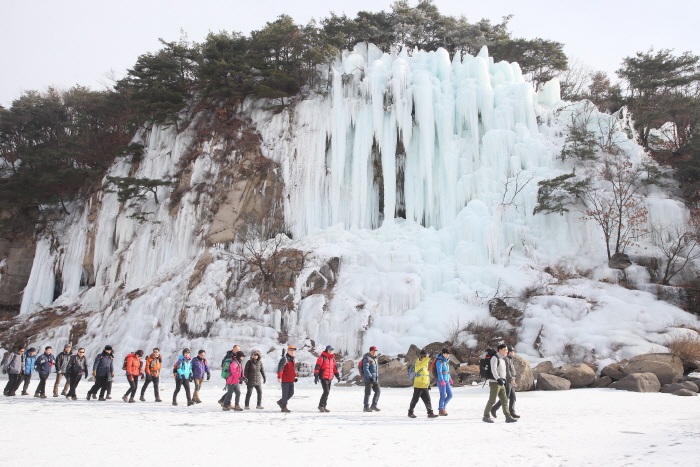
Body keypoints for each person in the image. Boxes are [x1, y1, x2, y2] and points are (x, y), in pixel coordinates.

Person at [483, 344, 518, 423]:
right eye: (505, 350)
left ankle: (508, 417)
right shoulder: (495, 358)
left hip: (502, 382)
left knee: (504, 400)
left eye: (507, 350)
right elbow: (493, 369)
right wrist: (497, 378)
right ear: (500, 350)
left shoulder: (503, 359)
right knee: (492, 400)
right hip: (495, 382)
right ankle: (485, 416)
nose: (506, 351)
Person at [408, 349, 438, 418]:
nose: (428, 357)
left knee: (427, 400)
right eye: (426, 356)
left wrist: (428, 384)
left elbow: (425, 376)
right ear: (423, 356)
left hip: (425, 385)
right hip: (419, 385)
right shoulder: (419, 362)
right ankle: (410, 412)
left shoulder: (425, 364)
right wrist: (429, 357)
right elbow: (423, 362)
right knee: (415, 400)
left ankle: (430, 413)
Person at [491, 345, 519, 419]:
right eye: (512, 351)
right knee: (506, 397)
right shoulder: (506, 359)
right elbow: (507, 371)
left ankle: (512, 412)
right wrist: (511, 380)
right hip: (508, 381)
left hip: (511, 380)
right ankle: (494, 408)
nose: (514, 353)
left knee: (513, 397)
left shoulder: (509, 359)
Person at [314, 345, 340, 413]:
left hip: (330, 377)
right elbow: (317, 366)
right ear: (326, 350)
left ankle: (324, 406)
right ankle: (320, 405)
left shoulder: (332, 358)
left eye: (331, 350)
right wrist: (316, 375)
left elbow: (334, 368)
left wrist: (337, 375)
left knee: (327, 392)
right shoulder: (322, 357)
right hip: (323, 377)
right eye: (329, 350)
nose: (330, 351)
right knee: (326, 391)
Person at [276, 345, 297, 413]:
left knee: (291, 393)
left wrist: (295, 376)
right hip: (285, 379)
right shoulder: (284, 359)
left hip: (291, 379)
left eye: (293, 350)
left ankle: (281, 402)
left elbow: (293, 369)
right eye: (291, 350)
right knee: (285, 394)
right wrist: (279, 377)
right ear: (288, 351)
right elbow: (280, 368)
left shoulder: (293, 359)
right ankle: (284, 407)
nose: (292, 352)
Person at [361, 346, 380, 412]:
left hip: (375, 379)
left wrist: (376, 377)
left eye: (375, 351)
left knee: (378, 392)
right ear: (370, 351)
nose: (374, 353)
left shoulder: (375, 359)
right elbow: (365, 369)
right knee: (368, 393)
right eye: (373, 351)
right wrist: (370, 376)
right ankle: (366, 407)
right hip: (369, 379)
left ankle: (373, 405)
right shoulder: (367, 359)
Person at [436, 348, 454, 416]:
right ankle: (441, 410)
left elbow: (447, 372)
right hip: (441, 381)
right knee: (443, 395)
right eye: (446, 354)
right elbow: (439, 372)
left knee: (450, 395)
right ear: (443, 354)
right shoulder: (439, 361)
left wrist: (450, 379)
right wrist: (441, 380)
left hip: (446, 380)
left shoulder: (446, 361)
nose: (448, 355)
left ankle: (442, 407)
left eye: (448, 354)